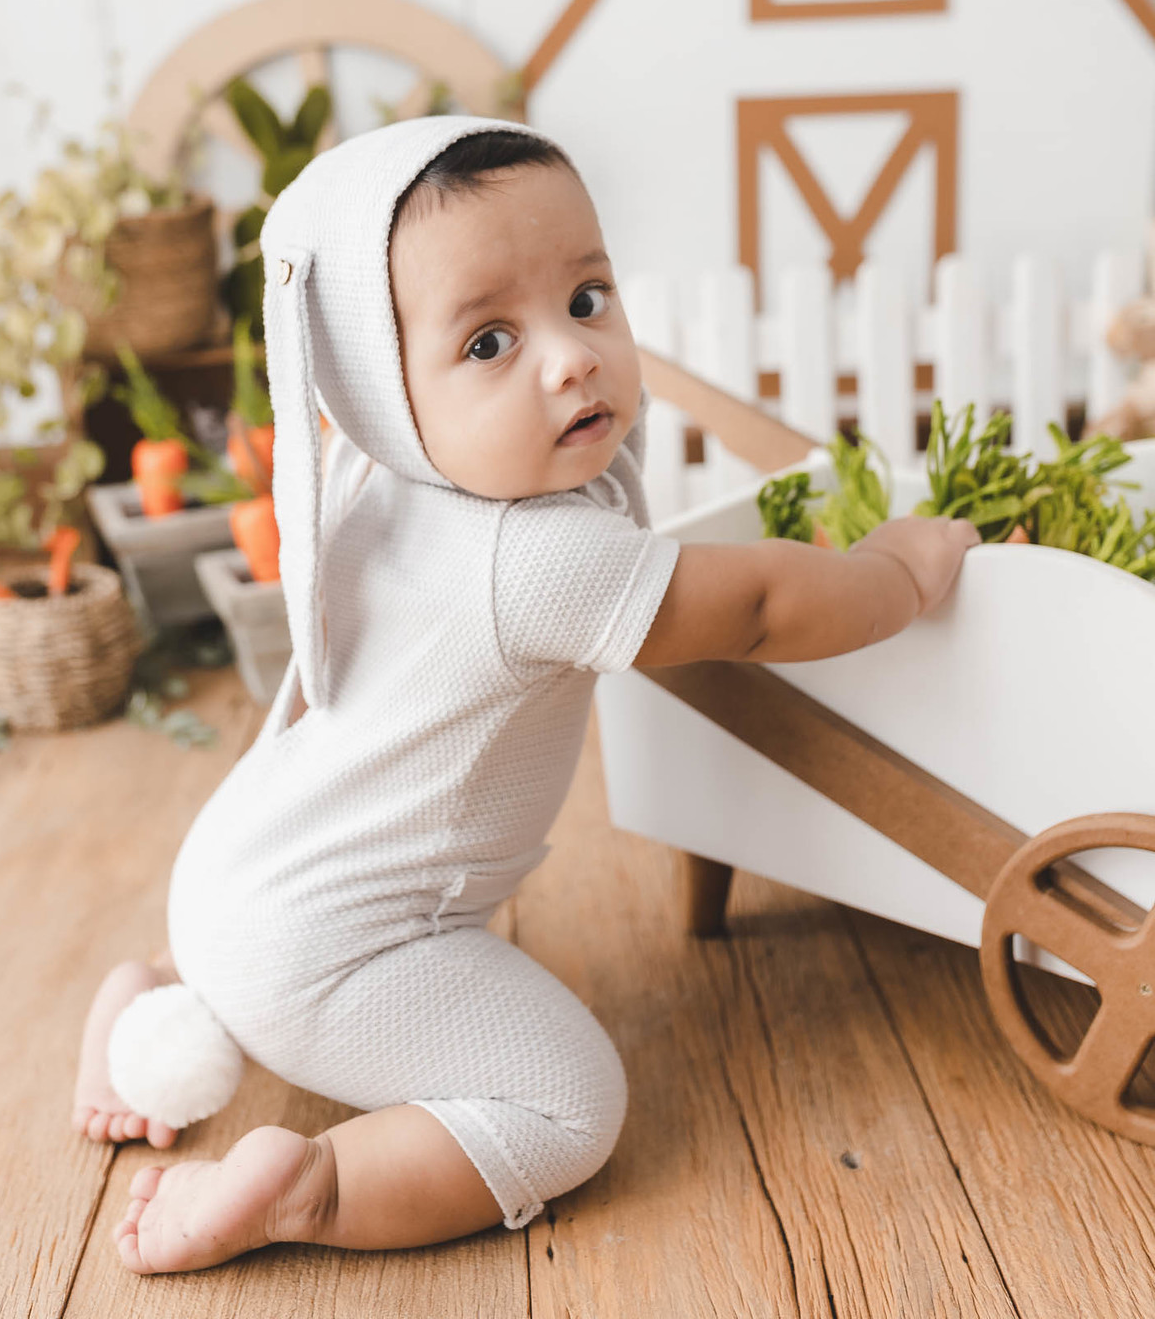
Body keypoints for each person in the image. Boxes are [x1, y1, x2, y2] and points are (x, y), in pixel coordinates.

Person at [70, 116, 979, 1275]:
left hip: (224, 887)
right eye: (492, 340)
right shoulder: (531, 559)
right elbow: (754, 609)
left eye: (587, 299)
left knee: (279, 954)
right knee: (570, 1103)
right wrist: (891, 577)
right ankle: (317, 1187)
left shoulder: (366, 476)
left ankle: (148, 1003)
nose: (570, 357)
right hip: (326, 956)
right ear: (378, 385)